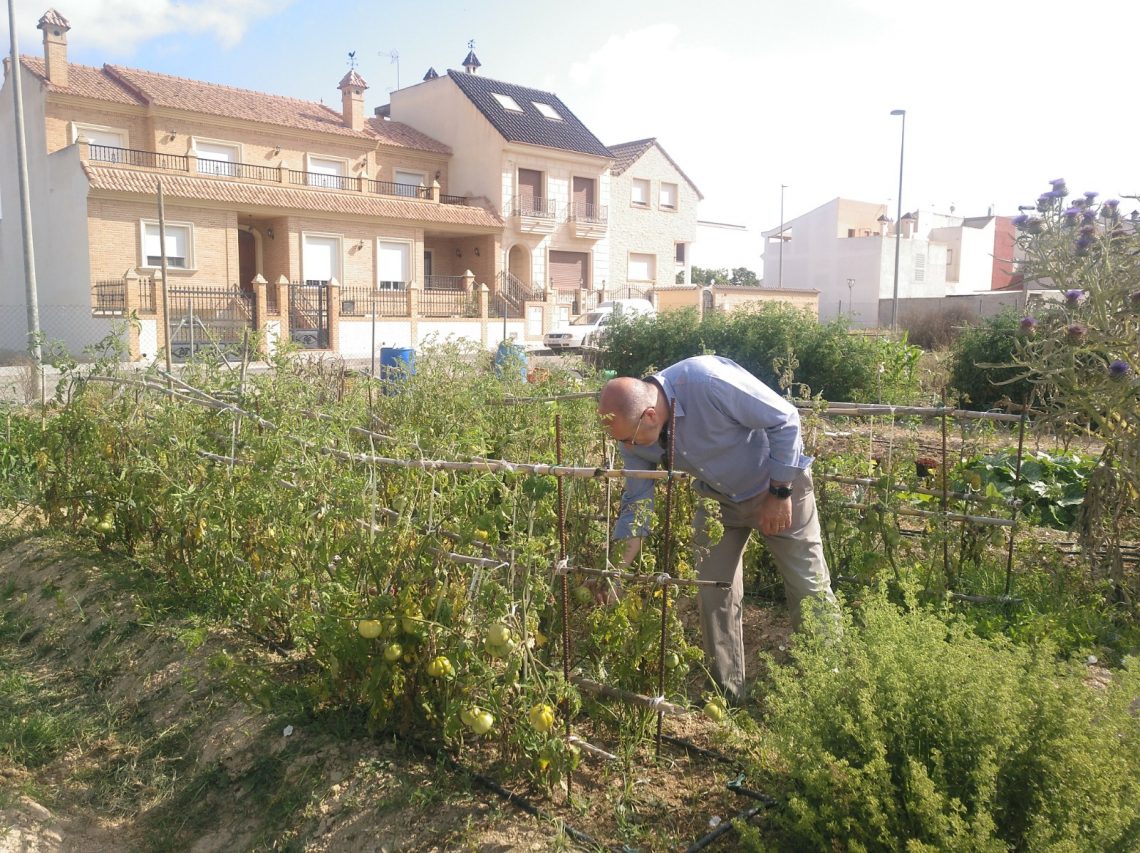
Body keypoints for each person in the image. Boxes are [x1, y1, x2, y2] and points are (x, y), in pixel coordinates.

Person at [598, 355, 837, 702]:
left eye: (631, 440)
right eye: (621, 442)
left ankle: (831, 689)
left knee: (808, 585)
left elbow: (785, 418)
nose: (628, 448)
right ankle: (727, 693)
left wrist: (781, 490)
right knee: (713, 588)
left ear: (650, 415)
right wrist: (615, 573)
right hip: (719, 500)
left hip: (777, 486)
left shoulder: (706, 382)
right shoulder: (634, 441)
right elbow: (636, 508)